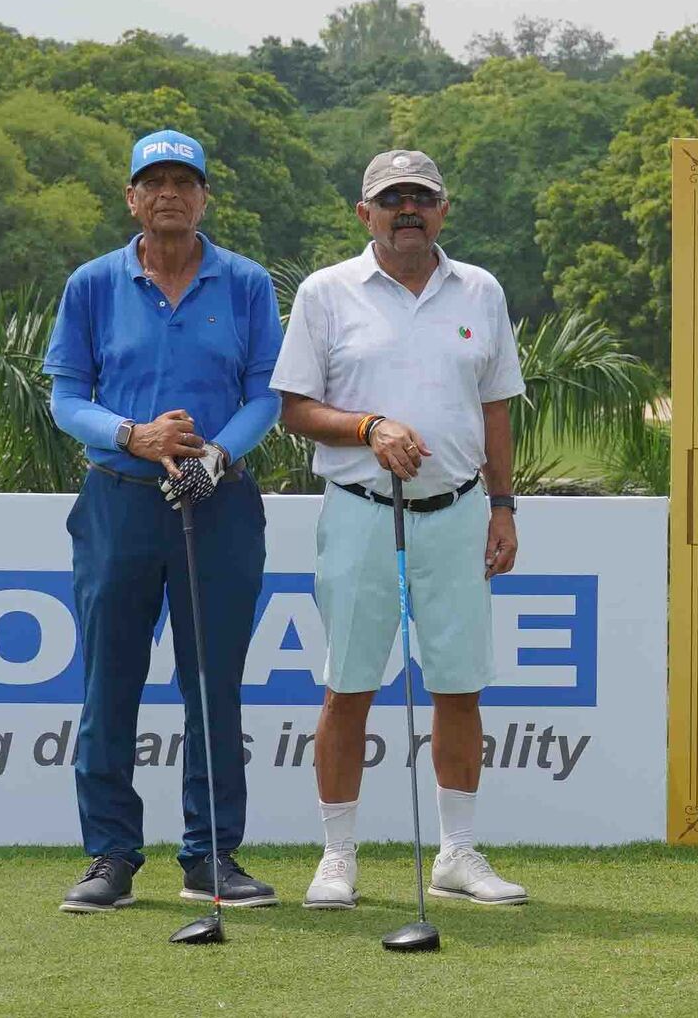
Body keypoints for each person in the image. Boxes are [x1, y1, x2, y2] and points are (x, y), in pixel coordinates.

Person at [270, 148, 527, 910]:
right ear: (365, 215)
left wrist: (505, 504)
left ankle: (456, 853)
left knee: (458, 686)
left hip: (457, 512)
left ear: (443, 210)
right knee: (348, 686)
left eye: (421, 198)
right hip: (359, 513)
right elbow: (294, 409)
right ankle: (337, 856)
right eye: (392, 200)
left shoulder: (478, 290)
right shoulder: (326, 292)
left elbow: (496, 408)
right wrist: (369, 425)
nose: (407, 210)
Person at [43, 129, 284, 913]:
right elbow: (68, 396)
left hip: (219, 502)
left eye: (185, 180)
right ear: (132, 198)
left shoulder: (245, 284)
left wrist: (216, 453)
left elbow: (266, 395)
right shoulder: (92, 283)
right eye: (155, 181)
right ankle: (110, 854)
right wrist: (133, 435)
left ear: (205, 196)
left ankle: (210, 853)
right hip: (118, 499)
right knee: (109, 681)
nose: (170, 193)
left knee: (211, 682)